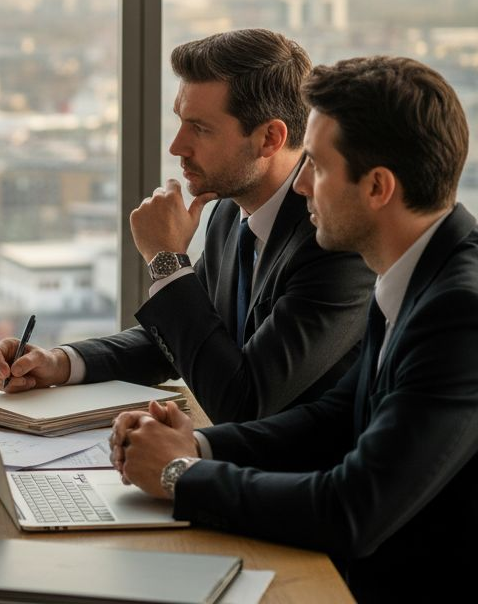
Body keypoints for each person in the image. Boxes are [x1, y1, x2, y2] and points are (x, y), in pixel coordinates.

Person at [111, 56, 478, 601]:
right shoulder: (413, 271)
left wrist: (179, 476)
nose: (301, 184)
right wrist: (197, 445)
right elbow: (332, 421)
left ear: (377, 186)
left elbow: (352, 509)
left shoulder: (459, 314)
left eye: (319, 167)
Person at [0, 29, 374, 422]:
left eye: (201, 129)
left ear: (270, 138)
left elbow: (243, 401)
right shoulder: (229, 211)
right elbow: (185, 340)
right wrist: (60, 363)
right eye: (180, 121)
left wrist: (166, 261)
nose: (176, 146)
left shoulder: (335, 242)